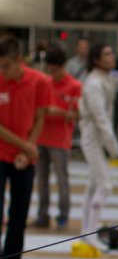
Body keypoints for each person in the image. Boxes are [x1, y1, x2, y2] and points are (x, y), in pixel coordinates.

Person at [75, 37, 118, 256]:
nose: (112, 57)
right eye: (107, 54)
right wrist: (113, 145)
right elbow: (100, 118)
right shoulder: (94, 83)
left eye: (111, 53)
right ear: (97, 60)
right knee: (104, 186)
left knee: (93, 186)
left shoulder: (108, 78)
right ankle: (90, 234)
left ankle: (86, 232)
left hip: (99, 138)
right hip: (92, 138)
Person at [0, 35, 50, 259]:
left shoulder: (39, 81)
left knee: (18, 216)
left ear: (19, 60)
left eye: (6, 66)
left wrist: (28, 149)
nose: (3, 71)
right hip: (2, 153)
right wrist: (26, 146)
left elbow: (40, 118)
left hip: (24, 157)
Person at [34, 47, 81, 230]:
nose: (52, 74)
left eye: (55, 70)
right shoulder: (45, 82)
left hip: (60, 140)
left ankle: (63, 215)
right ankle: (42, 215)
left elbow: (78, 115)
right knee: (41, 180)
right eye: (50, 70)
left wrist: (60, 112)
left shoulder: (74, 86)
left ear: (63, 66)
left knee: (62, 180)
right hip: (41, 137)